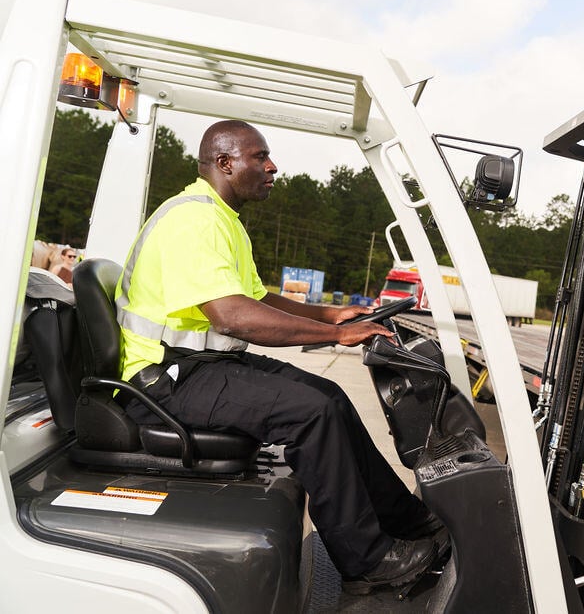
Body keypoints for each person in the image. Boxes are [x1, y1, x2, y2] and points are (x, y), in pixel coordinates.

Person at [116, 119, 441, 594]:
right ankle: (366, 561)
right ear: (224, 163)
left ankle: (407, 519)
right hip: (164, 380)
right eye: (259, 157)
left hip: (199, 366)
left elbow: (256, 299)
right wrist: (335, 336)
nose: (272, 167)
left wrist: (333, 315)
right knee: (309, 414)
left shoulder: (221, 218)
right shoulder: (194, 219)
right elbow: (232, 317)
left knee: (328, 394)